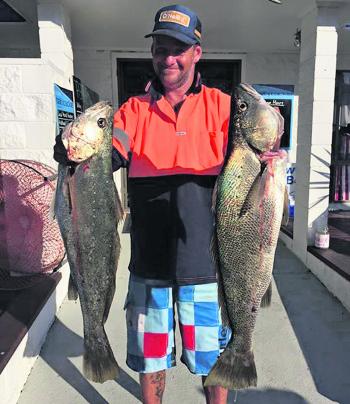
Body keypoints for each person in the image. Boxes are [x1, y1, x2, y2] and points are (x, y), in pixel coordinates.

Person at [54, 5, 231, 403]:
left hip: (204, 265)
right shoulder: (132, 111)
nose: (167, 58)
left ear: (196, 53)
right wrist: (72, 153)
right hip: (148, 266)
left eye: (178, 48)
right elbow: (106, 155)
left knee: (213, 360)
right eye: (160, 48)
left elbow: (251, 153)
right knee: (152, 363)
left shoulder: (222, 107)